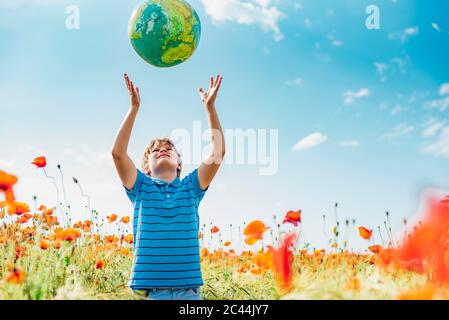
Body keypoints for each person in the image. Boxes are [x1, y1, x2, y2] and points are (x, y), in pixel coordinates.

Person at [111, 73, 225, 300]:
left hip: (189, 292)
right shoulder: (140, 187)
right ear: (146, 167)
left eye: (168, 148)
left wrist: (210, 108)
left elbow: (217, 152)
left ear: (179, 163)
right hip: (152, 293)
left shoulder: (192, 187)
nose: (162, 149)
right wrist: (133, 108)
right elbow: (117, 153)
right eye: (155, 150)